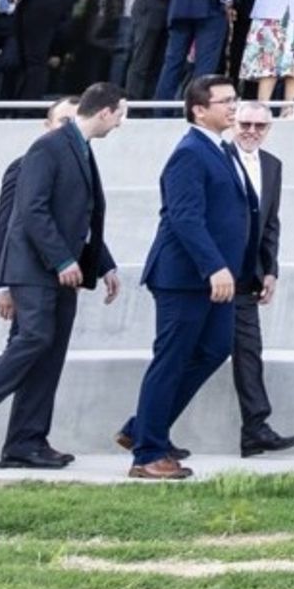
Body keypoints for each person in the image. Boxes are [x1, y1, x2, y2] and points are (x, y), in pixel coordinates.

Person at [0, 81, 124, 468]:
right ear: (105, 111)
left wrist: (103, 264)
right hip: (36, 270)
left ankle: (26, 443)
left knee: (48, 354)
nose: (121, 123)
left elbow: (75, 220)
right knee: (33, 339)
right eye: (121, 114)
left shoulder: (80, 151)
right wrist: (53, 263)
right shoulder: (46, 149)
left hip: (61, 274)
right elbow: (29, 213)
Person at [121, 78, 257, 479]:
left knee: (214, 349)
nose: (234, 107)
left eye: (235, 99)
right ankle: (147, 454)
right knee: (172, 359)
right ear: (199, 109)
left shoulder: (222, 149)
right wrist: (213, 266)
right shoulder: (189, 153)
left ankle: (142, 428)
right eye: (225, 101)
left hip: (219, 278)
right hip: (185, 277)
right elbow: (184, 217)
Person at [223, 98, 294, 456]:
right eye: (245, 125)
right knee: (188, 355)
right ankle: (142, 429)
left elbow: (271, 222)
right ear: (233, 124)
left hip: (246, 278)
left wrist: (270, 269)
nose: (251, 132)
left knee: (250, 351)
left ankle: (255, 428)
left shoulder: (273, 165)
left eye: (260, 126)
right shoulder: (217, 157)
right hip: (212, 276)